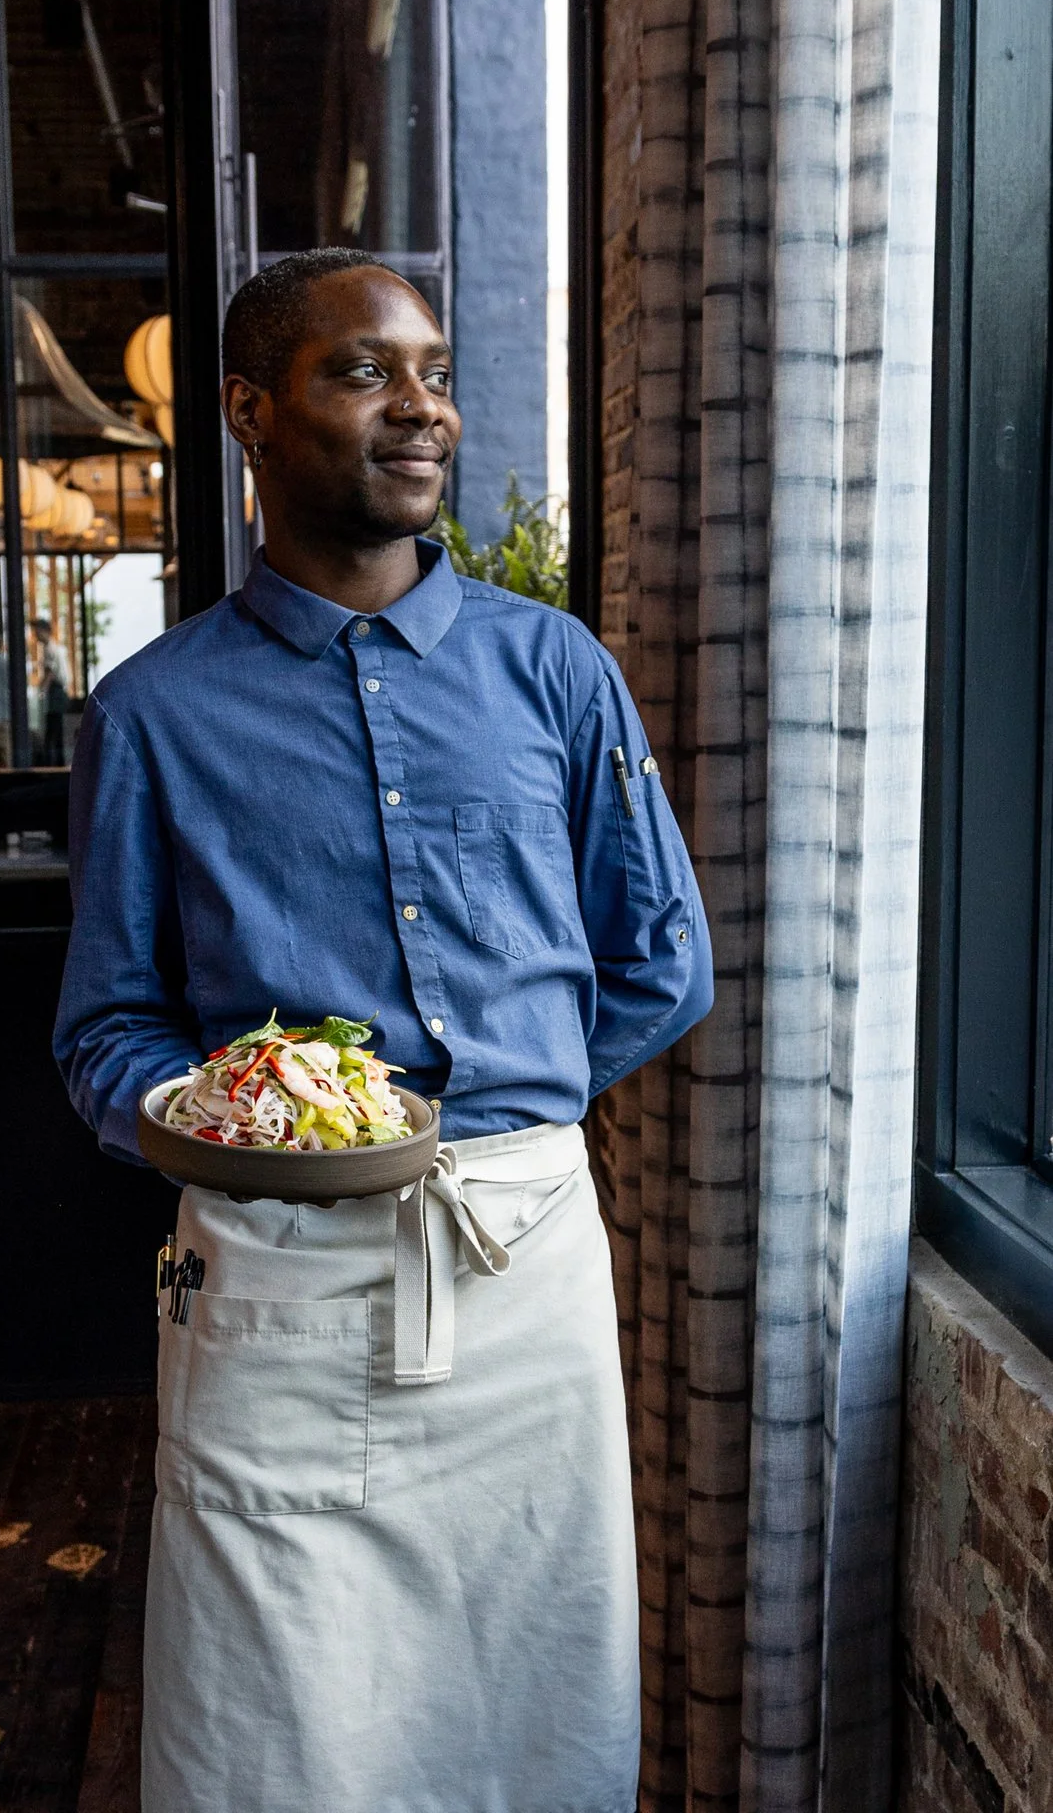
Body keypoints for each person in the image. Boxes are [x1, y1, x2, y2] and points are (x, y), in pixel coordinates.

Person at [54, 248, 713, 1813]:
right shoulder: (151, 715)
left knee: (536, 1689)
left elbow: (659, 958)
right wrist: (253, 1127)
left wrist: (486, 1123)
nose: (418, 405)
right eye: (362, 371)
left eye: (429, 369)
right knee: (270, 1724)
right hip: (275, 1280)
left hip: (521, 1258)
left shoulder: (556, 669)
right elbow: (108, 1033)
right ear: (249, 412)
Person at [32, 616, 69, 765]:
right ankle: (56, 761)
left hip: (56, 691)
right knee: (55, 729)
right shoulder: (54, 648)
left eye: (37, 632)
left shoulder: (50, 648)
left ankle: (52, 762)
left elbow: (50, 673)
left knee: (53, 729)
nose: (35, 635)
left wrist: (41, 691)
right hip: (57, 691)